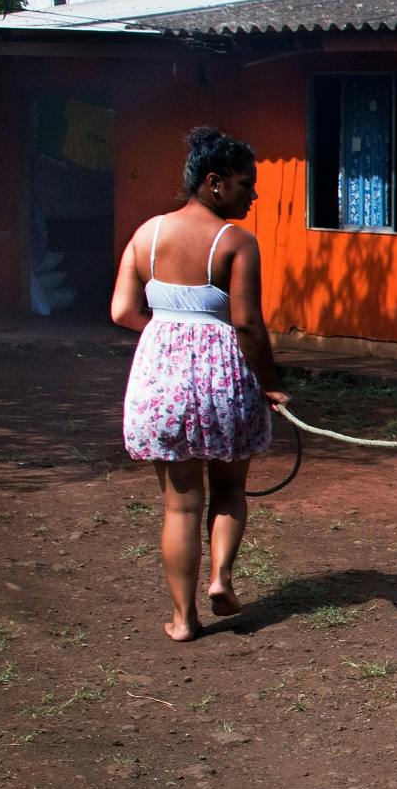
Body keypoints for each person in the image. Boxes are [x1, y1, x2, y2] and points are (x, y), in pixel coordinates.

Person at [110, 127, 288, 641]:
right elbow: (249, 326)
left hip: (160, 378)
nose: (252, 195)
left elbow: (122, 311)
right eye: (244, 183)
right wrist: (272, 385)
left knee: (179, 504)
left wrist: (167, 332)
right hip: (222, 380)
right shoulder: (235, 242)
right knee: (230, 489)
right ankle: (221, 577)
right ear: (214, 183)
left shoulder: (147, 235)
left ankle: (184, 619)